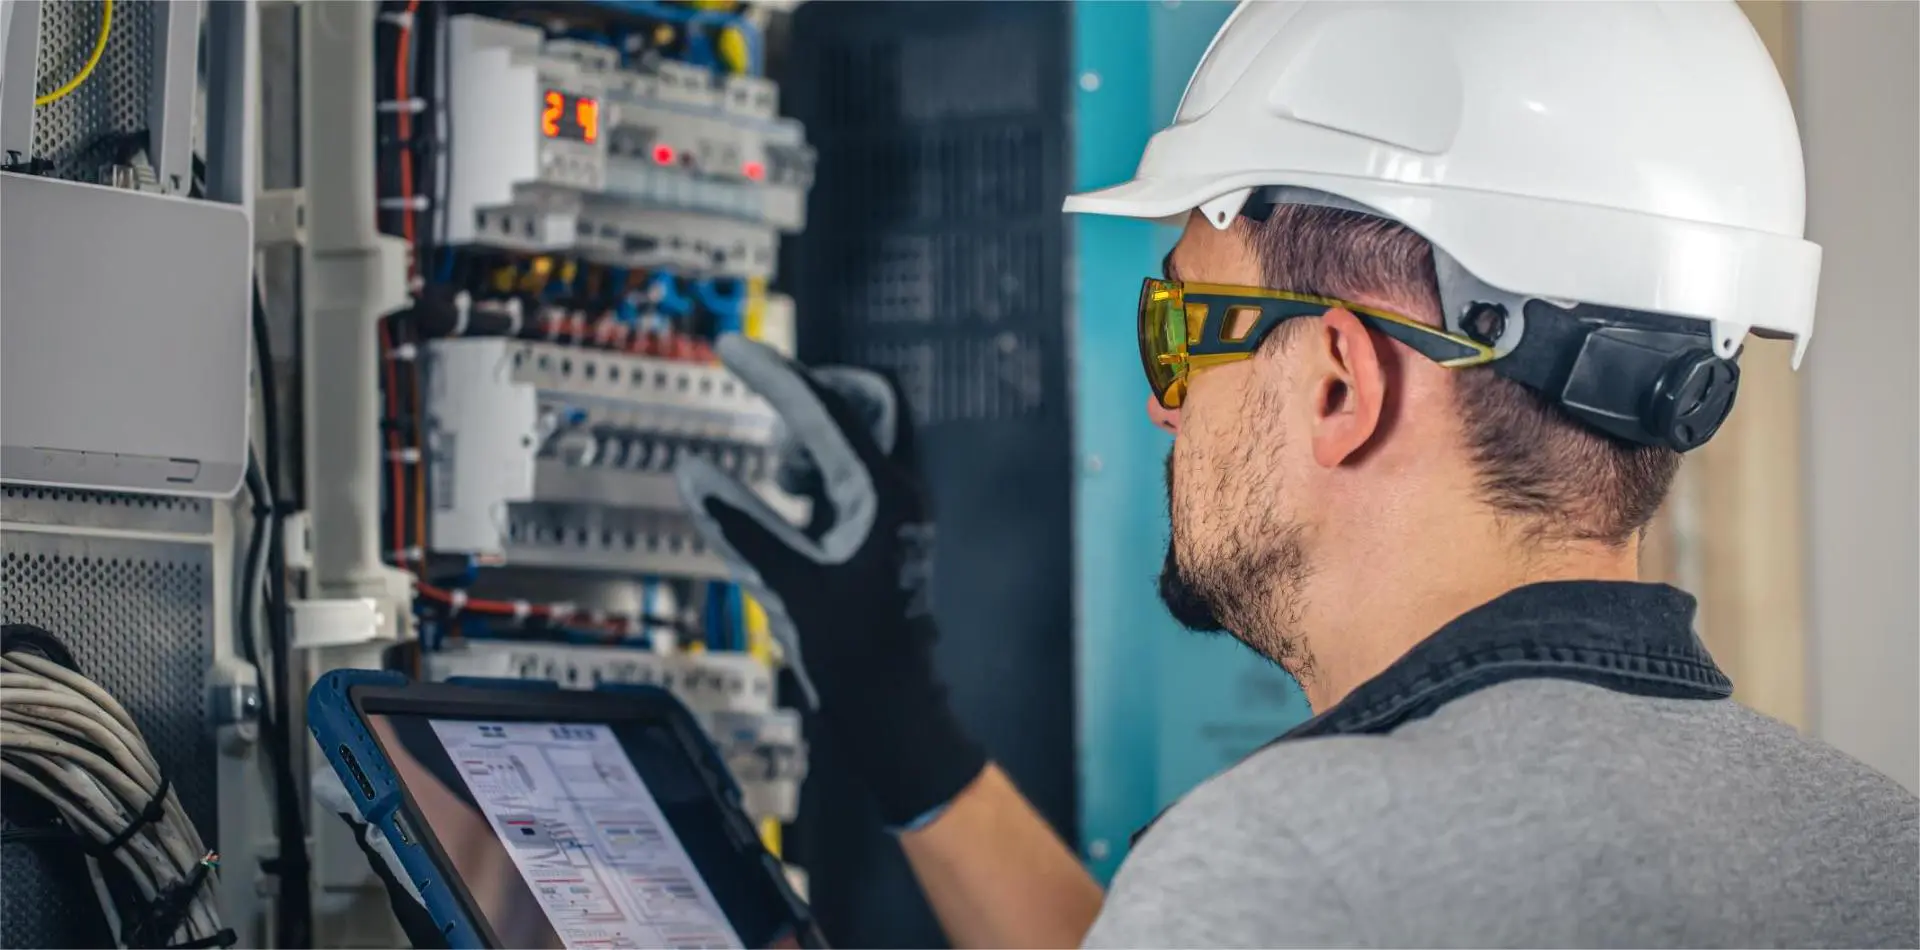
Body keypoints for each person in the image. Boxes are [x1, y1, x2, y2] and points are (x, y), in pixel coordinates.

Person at [676, 2, 1920, 946]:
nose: (1167, 409)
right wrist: (897, 713)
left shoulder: (1283, 862)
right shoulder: (1874, 846)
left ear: (1340, 381)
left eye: (1179, 331)